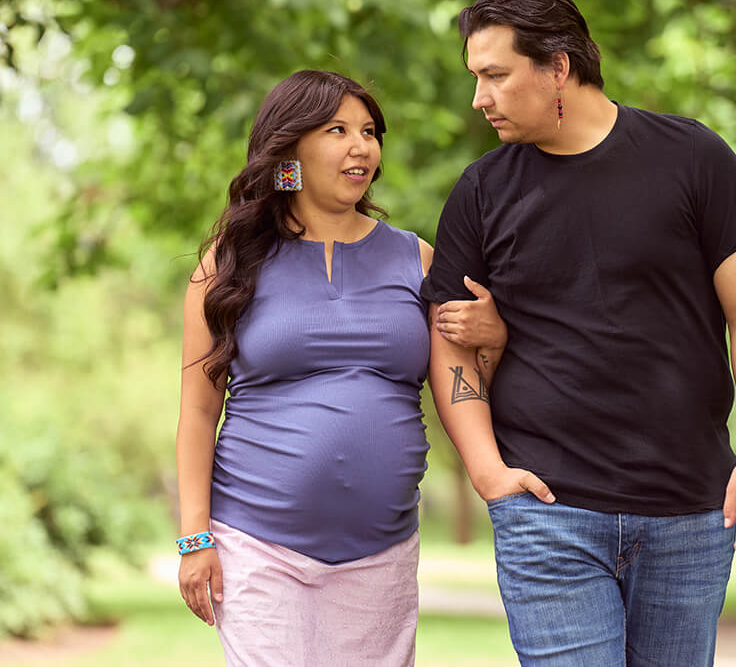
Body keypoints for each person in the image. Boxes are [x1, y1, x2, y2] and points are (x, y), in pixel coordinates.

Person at [422, 0, 736, 667]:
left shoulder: (694, 159)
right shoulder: (482, 190)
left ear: (558, 65)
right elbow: (450, 342)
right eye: (476, 78)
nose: (480, 99)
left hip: (688, 511)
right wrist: (486, 470)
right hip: (548, 511)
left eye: (495, 76)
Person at [174, 70, 503, 666]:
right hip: (257, 544)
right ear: (290, 148)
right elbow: (198, 412)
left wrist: (493, 340)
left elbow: (466, 389)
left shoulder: (415, 257)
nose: (363, 146)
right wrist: (195, 539)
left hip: (382, 550)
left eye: (370, 132)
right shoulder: (227, 265)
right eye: (338, 130)